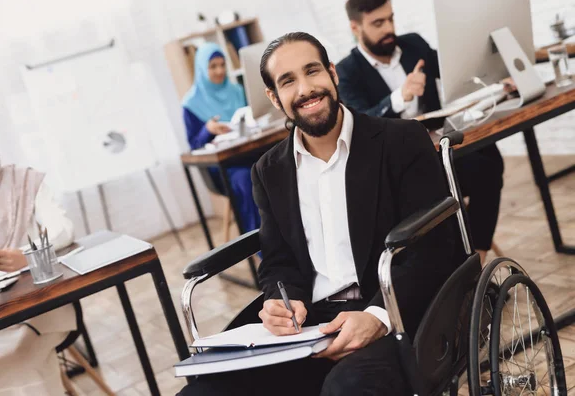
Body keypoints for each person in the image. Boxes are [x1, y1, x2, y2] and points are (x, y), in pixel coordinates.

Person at [177, 32, 457, 396]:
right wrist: (282, 299)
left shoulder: (401, 141)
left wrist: (376, 317)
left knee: (347, 388)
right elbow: (278, 261)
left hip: (393, 308)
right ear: (274, 98)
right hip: (309, 324)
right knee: (204, 390)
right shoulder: (269, 170)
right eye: (288, 81)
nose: (306, 88)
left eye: (313, 71)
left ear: (332, 73)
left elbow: (435, 248)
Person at [336, 0, 505, 262]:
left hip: (437, 150)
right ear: (355, 28)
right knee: (460, 183)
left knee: (488, 160)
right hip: (399, 169)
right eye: (378, 23)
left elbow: (458, 71)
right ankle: (465, 266)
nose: (388, 28)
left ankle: (477, 262)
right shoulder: (346, 72)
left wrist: (498, 81)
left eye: (390, 18)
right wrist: (398, 97)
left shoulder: (413, 45)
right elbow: (361, 123)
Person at [0, 118, 76, 396]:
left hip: (39, 307)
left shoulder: (23, 181)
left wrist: (27, 256)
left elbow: (64, 229)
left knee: (20, 362)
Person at [182, 42, 260, 233]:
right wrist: (207, 129)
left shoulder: (237, 91)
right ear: (202, 68)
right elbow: (193, 145)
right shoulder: (191, 104)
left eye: (222, 64)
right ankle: (260, 245)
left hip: (248, 152)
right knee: (247, 178)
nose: (219, 71)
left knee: (276, 165)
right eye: (212, 66)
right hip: (225, 168)